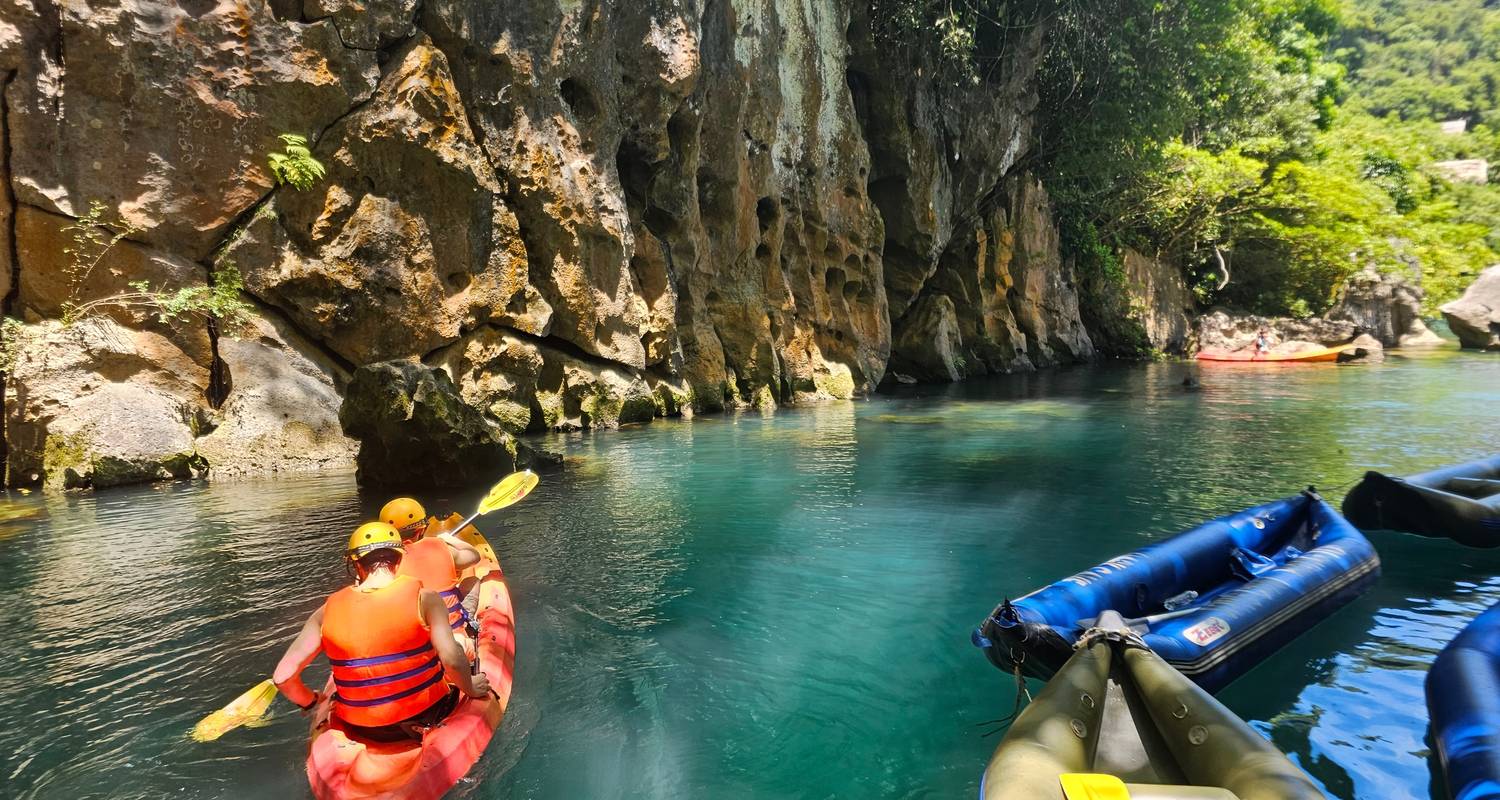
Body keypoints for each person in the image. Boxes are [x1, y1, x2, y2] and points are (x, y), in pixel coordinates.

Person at [272, 522, 490, 742]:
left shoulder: (325, 611)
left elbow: (283, 677)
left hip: (361, 728)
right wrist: (471, 687)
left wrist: (310, 701)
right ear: (398, 559)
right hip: (428, 713)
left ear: (355, 564)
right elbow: (452, 658)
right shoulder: (425, 598)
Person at [380, 497, 483, 639]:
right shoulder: (439, 547)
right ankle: (467, 622)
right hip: (451, 632)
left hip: (411, 634)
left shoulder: (381, 565)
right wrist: (448, 539)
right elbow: (474, 556)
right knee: (472, 581)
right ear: (421, 529)